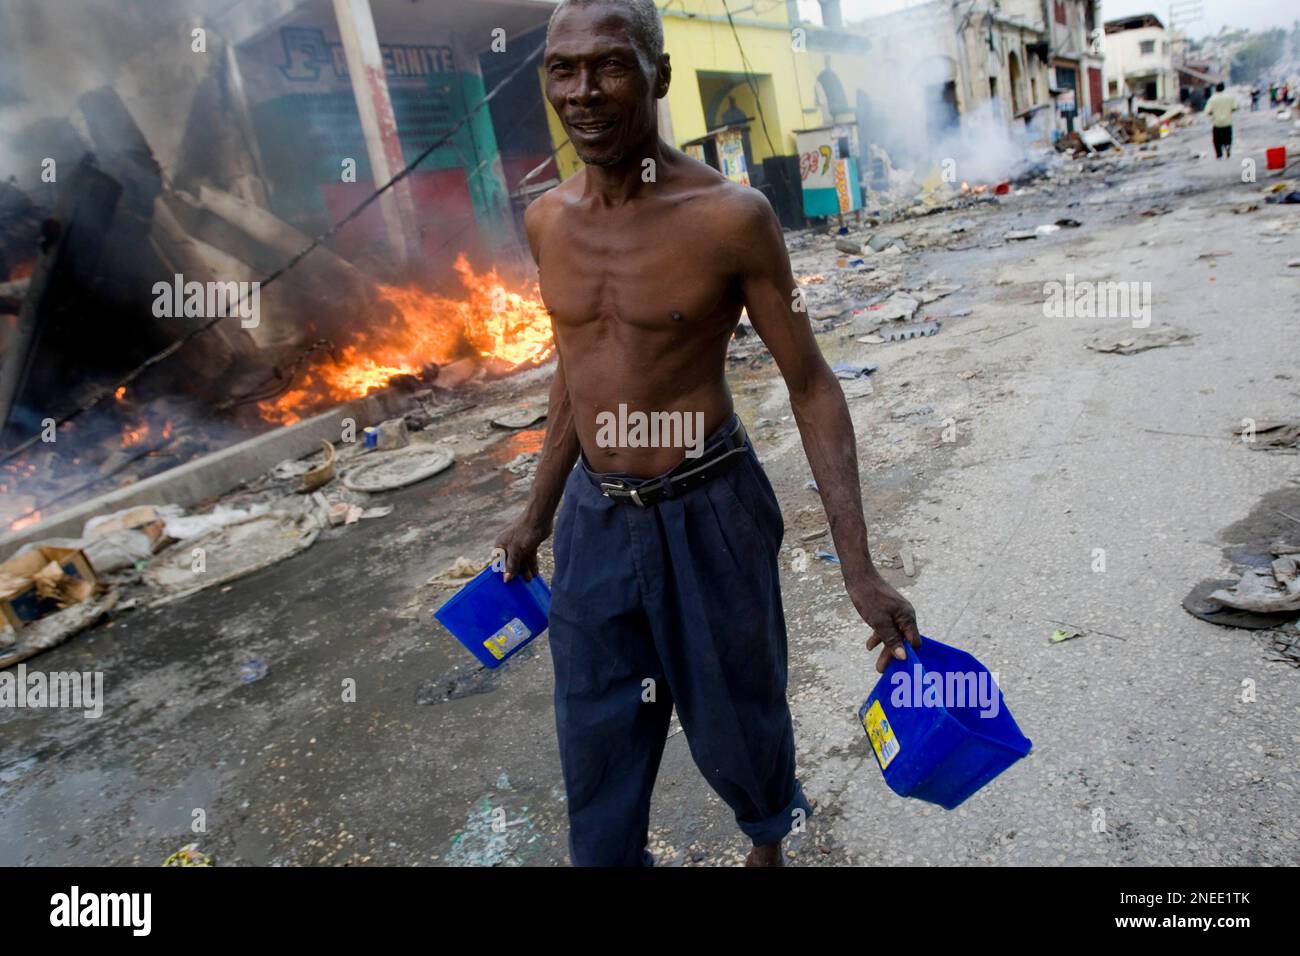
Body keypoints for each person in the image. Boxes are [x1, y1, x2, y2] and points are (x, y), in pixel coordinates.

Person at [493, 0, 922, 867]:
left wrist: (859, 567)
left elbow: (810, 383)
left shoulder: (732, 217)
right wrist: (536, 514)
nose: (582, 92)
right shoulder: (546, 220)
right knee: (595, 735)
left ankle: (768, 845)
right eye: (562, 69)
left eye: (609, 65)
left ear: (658, 75)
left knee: (740, 717)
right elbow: (577, 372)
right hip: (594, 522)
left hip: (708, 508)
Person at [1205, 82, 1236, 159]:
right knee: (1228, 138)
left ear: (1216, 89)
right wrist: (1229, 111)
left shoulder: (1212, 99)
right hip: (1227, 122)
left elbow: (1207, 111)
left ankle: (1219, 154)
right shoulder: (1229, 97)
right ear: (1223, 88)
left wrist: (1213, 113)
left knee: (1217, 140)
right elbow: (1235, 107)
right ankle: (1227, 146)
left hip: (1217, 123)